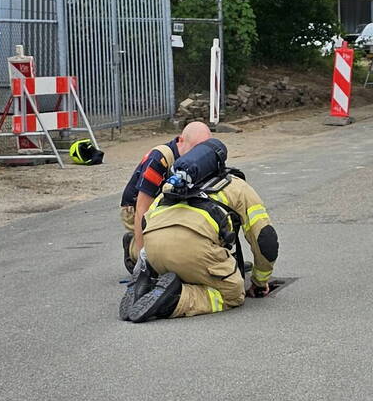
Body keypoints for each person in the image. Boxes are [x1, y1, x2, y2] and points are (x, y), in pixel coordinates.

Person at [120, 151, 278, 323]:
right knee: (232, 292)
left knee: (181, 261)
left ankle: (148, 282)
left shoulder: (173, 184)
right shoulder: (236, 185)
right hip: (193, 250)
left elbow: (146, 220)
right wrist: (260, 282)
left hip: (153, 249)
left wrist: (146, 258)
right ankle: (175, 299)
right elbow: (265, 239)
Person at [119, 121, 212, 271]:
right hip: (137, 209)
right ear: (181, 140)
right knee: (159, 251)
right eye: (195, 149)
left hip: (167, 202)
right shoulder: (160, 160)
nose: (198, 155)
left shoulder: (197, 159)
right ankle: (132, 247)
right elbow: (141, 208)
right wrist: (144, 258)